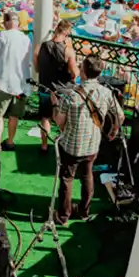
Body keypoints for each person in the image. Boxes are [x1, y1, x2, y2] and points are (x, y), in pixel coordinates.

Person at [53, 56, 123, 224]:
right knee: (87, 175)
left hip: (71, 144)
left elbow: (59, 121)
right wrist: (113, 131)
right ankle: (84, 211)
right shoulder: (106, 93)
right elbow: (120, 116)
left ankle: (63, 215)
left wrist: (55, 104)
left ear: (83, 72)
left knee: (67, 178)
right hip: (92, 144)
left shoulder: (70, 95)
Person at [0, 11, 32, 152]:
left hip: (4, 83)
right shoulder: (26, 39)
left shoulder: (3, 36)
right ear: (18, 23)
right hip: (22, 84)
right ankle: (10, 142)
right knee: (14, 116)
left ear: (5, 23)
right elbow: (29, 62)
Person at [35, 19, 78, 155]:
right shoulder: (68, 51)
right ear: (66, 33)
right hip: (62, 90)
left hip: (45, 88)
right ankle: (64, 145)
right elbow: (75, 73)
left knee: (45, 118)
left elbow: (36, 69)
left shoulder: (40, 46)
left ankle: (44, 146)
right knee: (63, 118)